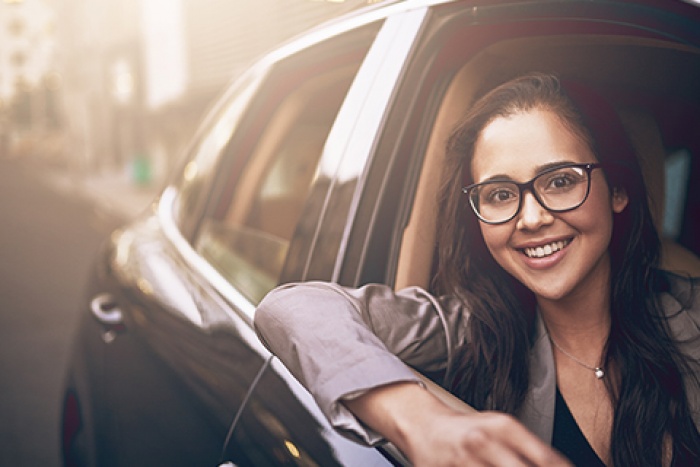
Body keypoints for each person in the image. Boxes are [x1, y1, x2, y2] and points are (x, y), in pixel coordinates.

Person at [254, 73, 700, 466]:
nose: (531, 218)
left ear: (618, 189)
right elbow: (291, 306)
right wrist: (423, 422)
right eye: (501, 195)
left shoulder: (690, 312)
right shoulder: (468, 331)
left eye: (561, 181)